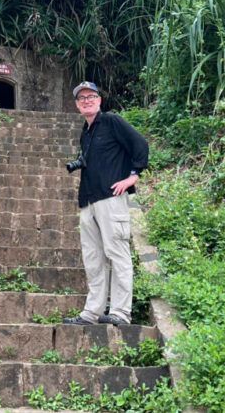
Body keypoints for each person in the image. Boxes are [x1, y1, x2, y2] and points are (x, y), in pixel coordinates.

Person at [62, 82, 148, 327]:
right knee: (93, 258)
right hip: (88, 201)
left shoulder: (112, 121)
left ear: (99, 100)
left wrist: (133, 176)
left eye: (91, 96)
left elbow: (140, 145)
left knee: (117, 253)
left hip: (111, 198)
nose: (87, 101)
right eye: (82, 98)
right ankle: (92, 313)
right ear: (77, 105)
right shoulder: (86, 131)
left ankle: (121, 312)